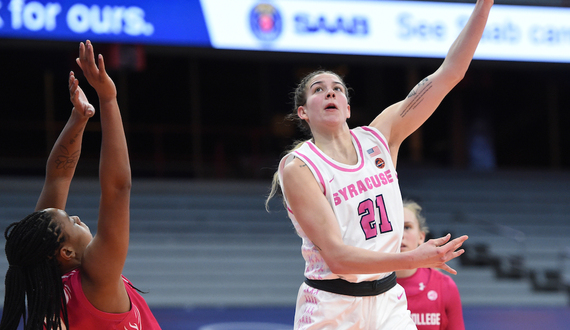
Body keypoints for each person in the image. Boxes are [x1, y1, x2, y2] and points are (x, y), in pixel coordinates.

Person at [265, 0, 493, 329]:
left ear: (346, 106)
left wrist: (484, 6)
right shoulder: (299, 168)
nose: (329, 92)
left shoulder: (379, 138)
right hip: (333, 305)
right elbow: (338, 258)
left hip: (388, 301)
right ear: (303, 112)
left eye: (337, 89)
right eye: (318, 89)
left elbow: (449, 74)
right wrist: (411, 259)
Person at [0, 40, 161, 330]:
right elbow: (117, 189)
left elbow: (58, 177)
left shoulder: (45, 285)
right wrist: (108, 99)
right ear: (67, 254)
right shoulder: (96, 278)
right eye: (70, 222)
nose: (75, 216)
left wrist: (79, 118)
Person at [396, 200, 465, 330]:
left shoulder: (444, 286)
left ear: (421, 237)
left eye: (407, 227)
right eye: (394, 227)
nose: (401, 234)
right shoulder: (368, 283)